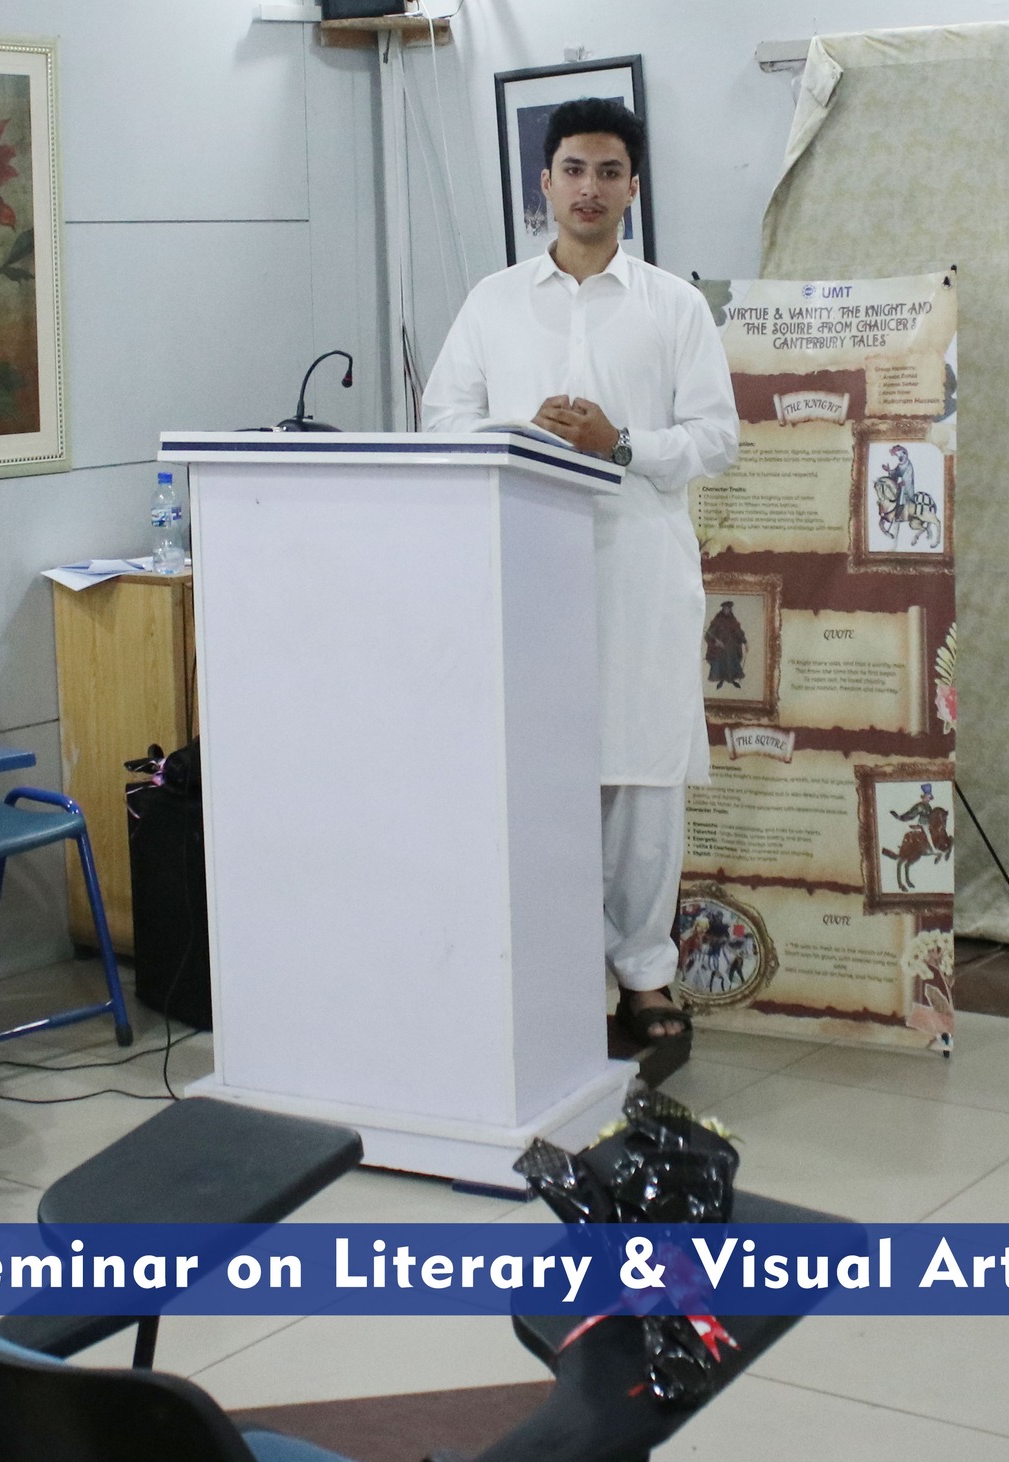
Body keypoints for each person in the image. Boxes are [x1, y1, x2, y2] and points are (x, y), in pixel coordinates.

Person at [422, 98, 739, 1043]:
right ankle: (553, 967)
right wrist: (523, 433)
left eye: (608, 172)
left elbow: (716, 439)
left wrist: (620, 442)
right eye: (572, 169)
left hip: (639, 572)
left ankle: (645, 979)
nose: (588, 188)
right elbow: (442, 419)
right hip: (523, 573)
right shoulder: (493, 301)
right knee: (537, 777)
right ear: (545, 183)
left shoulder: (673, 305)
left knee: (641, 780)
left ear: (633, 188)